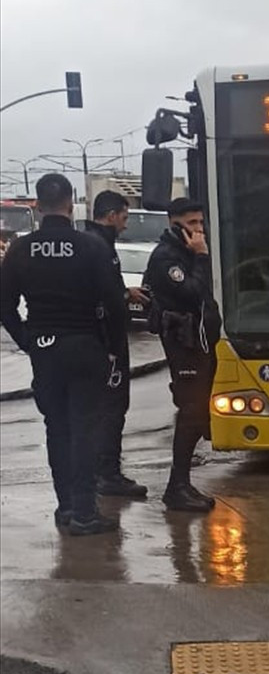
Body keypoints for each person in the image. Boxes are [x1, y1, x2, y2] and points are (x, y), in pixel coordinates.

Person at [0, 174, 126, 535]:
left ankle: (67, 506)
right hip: (85, 346)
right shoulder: (89, 247)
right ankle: (86, 513)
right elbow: (114, 304)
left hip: (45, 349)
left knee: (57, 429)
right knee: (84, 429)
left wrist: (27, 340)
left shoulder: (21, 250)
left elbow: (5, 306)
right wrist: (113, 350)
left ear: (38, 207)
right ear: (71, 205)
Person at [144, 198, 221, 512]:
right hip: (184, 342)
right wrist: (201, 257)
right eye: (192, 224)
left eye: (201, 224)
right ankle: (177, 487)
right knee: (190, 413)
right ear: (174, 223)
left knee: (196, 413)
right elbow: (192, 292)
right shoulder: (168, 258)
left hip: (198, 341)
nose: (199, 230)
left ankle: (182, 484)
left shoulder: (185, 253)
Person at [85, 190, 148, 500]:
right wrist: (112, 346)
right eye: (123, 218)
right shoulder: (101, 246)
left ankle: (98, 471)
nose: (125, 225)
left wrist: (126, 293)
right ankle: (107, 475)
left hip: (92, 340)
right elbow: (106, 298)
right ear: (110, 216)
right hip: (107, 344)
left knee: (98, 409)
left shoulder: (89, 241)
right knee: (112, 408)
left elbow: (102, 289)